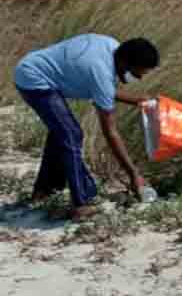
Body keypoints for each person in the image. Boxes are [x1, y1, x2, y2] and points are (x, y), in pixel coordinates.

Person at [15, 33, 159, 221]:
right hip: (34, 79)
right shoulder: (99, 70)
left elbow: (102, 88)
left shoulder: (112, 47)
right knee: (72, 135)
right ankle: (80, 204)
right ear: (125, 63)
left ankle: (43, 192)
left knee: (62, 133)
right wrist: (134, 175)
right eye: (139, 72)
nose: (139, 78)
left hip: (35, 66)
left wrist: (136, 100)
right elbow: (110, 131)